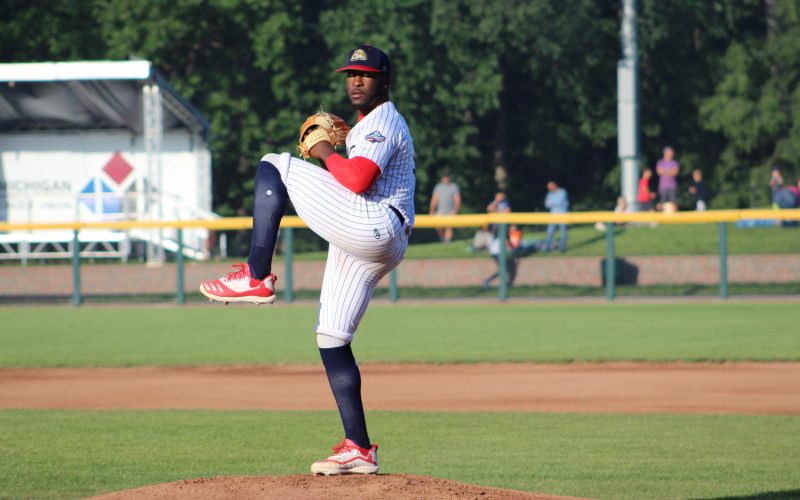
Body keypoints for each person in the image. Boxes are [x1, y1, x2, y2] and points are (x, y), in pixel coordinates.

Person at [199, 45, 413, 476]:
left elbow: (357, 179)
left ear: (385, 81)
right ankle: (359, 448)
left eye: (366, 74)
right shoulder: (366, 126)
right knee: (332, 338)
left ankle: (256, 275)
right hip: (374, 237)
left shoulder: (384, 119)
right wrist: (337, 149)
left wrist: (324, 151)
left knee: (274, 165)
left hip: (375, 222)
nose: (356, 81)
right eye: (350, 74)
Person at [483, 192, 518, 289]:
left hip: (500, 243)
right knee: (504, 268)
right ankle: (489, 281)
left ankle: (503, 285)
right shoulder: (495, 205)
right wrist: (496, 203)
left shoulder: (505, 204)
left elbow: (507, 211)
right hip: (496, 245)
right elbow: (489, 209)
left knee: (508, 267)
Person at [429, 172, 461, 242]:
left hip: (450, 211)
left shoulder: (453, 187)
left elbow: (457, 199)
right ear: (442, 179)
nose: (445, 179)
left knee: (449, 227)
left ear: (449, 178)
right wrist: (432, 210)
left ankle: (447, 241)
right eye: (444, 178)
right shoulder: (438, 187)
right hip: (440, 211)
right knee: (438, 226)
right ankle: (442, 238)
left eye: (447, 177)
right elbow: (434, 199)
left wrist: (455, 210)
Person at [543, 181, 568, 252]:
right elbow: (547, 204)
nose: (549, 188)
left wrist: (552, 202)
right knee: (550, 231)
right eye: (548, 187)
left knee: (563, 231)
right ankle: (546, 247)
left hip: (562, 214)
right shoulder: (549, 194)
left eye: (550, 186)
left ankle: (562, 247)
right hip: (553, 215)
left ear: (555, 185)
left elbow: (559, 202)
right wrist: (553, 203)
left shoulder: (562, 192)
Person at [656, 146, 679, 211]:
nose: (672, 154)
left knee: (674, 202)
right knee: (662, 203)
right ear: (666, 153)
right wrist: (670, 171)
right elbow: (659, 172)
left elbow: (675, 172)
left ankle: (674, 215)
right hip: (663, 186)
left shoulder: (674, 162)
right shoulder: (660, 162)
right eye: (670, 153)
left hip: (672, 186)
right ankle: (661, 215)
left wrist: (664, 171)